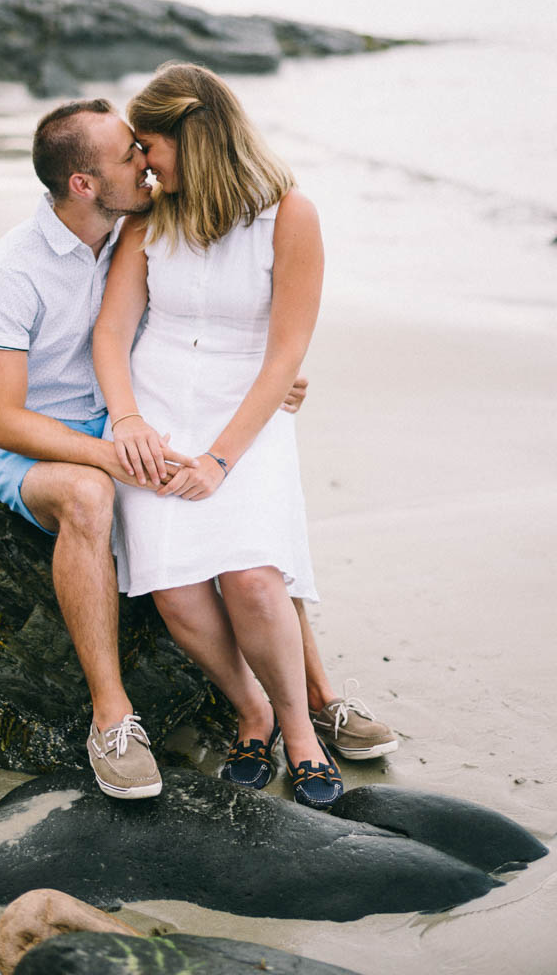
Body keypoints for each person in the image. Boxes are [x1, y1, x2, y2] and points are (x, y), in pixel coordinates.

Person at [0, 95, 396, 802]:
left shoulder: (135, 223)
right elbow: (1, 420)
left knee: (248, 550)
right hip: (42, 447)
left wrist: (270, 375)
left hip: (139, 420)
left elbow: (186, 319)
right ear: (84, 183)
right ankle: (114, 718)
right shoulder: (13, 271)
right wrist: (113, 451)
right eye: (130, 154)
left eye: (144, 147)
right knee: (91, 494)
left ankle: (314, 698)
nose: (145, 162)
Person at [93, 63, 395, 809]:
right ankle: (249, 710)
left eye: (150, 145)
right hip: (156, 412)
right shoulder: (148, 220)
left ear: (190, 140)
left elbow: (286, 353)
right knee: (176, 592)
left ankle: (299, 728)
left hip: (248, 418)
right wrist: (128, 419)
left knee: (255, 580)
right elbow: (111, 334)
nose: (143, 161)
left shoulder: (290, 215)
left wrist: (223, 458)